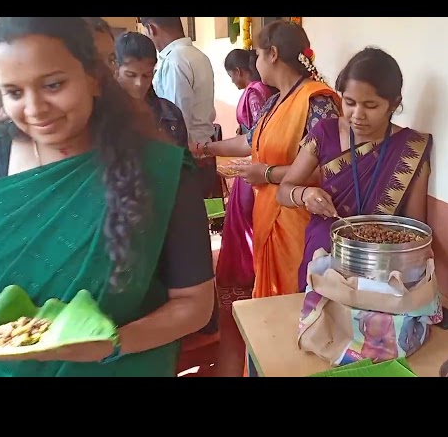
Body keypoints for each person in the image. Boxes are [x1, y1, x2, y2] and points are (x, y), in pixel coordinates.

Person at [0, 17, 215, 377]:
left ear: (94, 77)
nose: (34, 108)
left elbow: (195, 305)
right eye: (14, 92)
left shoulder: (161, 172)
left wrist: (112, 343)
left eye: (53, 85)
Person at [191, 20, 342, 300]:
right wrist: (205, 149)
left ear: (272, 53)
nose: (256, 62)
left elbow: (330, 170)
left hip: (300, 219)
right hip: (267, 214)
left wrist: (267, 174)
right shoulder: (275, 102)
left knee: (296, 297)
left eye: (258, 54)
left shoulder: (317, 101)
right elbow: (250, 141)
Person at [277, 47, 434, 291]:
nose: (357, 115)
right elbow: (283, 192)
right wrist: (305, 194)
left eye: (370, 105)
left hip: (380, 267)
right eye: (349, 103)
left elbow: (413, 228)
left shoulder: (411, 148)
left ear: (394, 104)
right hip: (323, 256)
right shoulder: (324, 133)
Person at [139, 17, 220, 199]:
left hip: (186, 157)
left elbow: (175, 121)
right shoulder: (198, 56)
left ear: (151, 29)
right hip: (203, 150)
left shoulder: (174, 61)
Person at [214, 49, 275, 288]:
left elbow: (256, 137)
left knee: (243, 221)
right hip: (254, 160)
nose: (232, 81)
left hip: (255, 163)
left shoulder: (254, 93)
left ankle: (246, 274)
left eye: (231, 76)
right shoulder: (262, 90)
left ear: (239, 71)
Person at [114, 31, 188, 147]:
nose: (139, 83)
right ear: (116, 70)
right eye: (130, 75)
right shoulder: (103, 115)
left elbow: (184, 161)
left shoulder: (170, 114)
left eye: (146, 75)